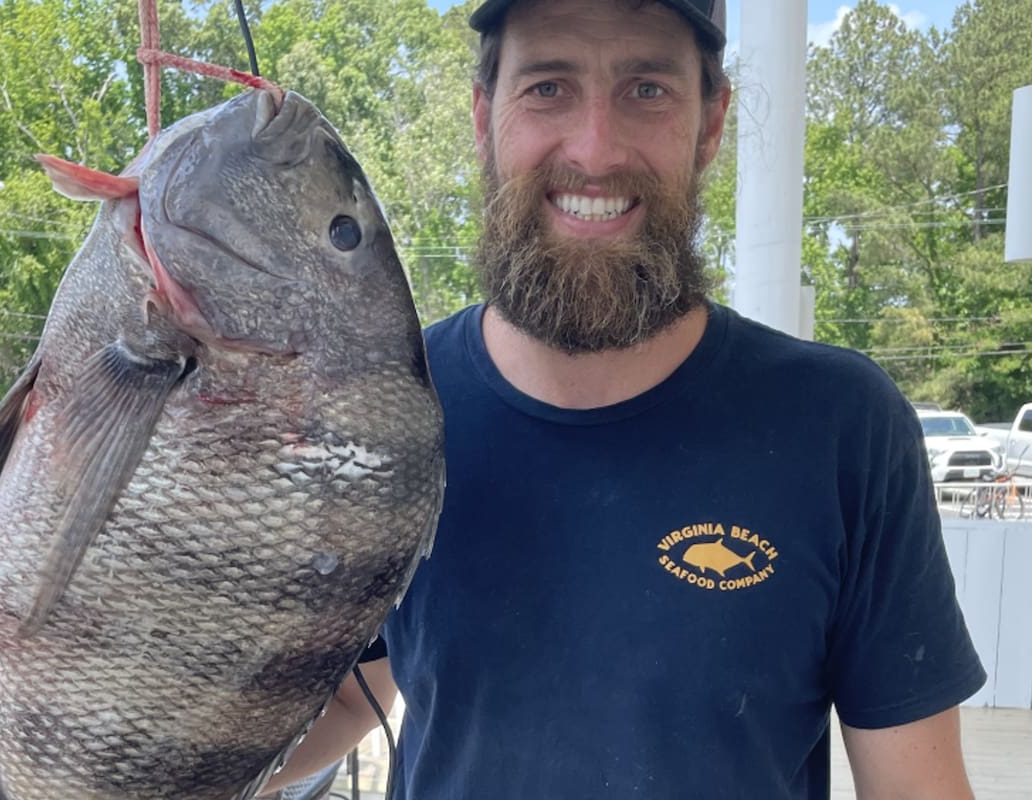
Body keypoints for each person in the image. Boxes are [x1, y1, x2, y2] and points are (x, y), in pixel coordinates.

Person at [261, 0, 986, 796]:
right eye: (547, 87)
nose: (596, 150)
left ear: (711, 124)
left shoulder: (842, 424)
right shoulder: (387, 404)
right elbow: (333, 699)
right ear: (483, 116)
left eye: (647, 90)